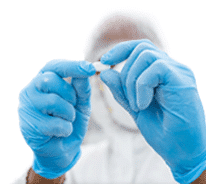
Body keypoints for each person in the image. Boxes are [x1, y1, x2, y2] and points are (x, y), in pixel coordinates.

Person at [13, 13, 206, 184]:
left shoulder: (194, 154)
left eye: (137, 65)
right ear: (95, 83)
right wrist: (47, 173)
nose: (125, 78)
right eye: (111, 67)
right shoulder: (76, 169)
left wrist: (197, 170)